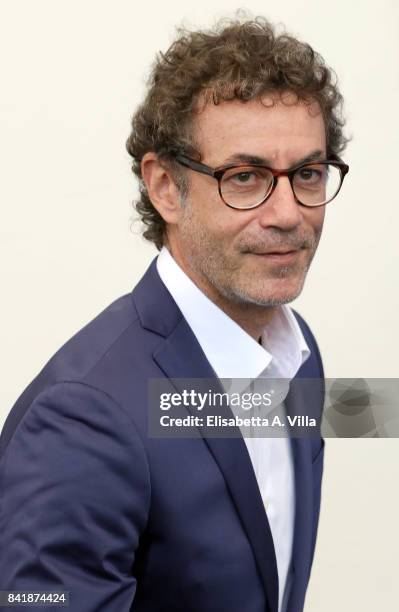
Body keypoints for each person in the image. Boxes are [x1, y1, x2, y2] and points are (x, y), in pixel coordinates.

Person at [0, 16, 349, 612]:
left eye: (308, 174)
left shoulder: (298, 353)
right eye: (246, 177)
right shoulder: (82, 415)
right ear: (165, 187)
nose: (290, 213)